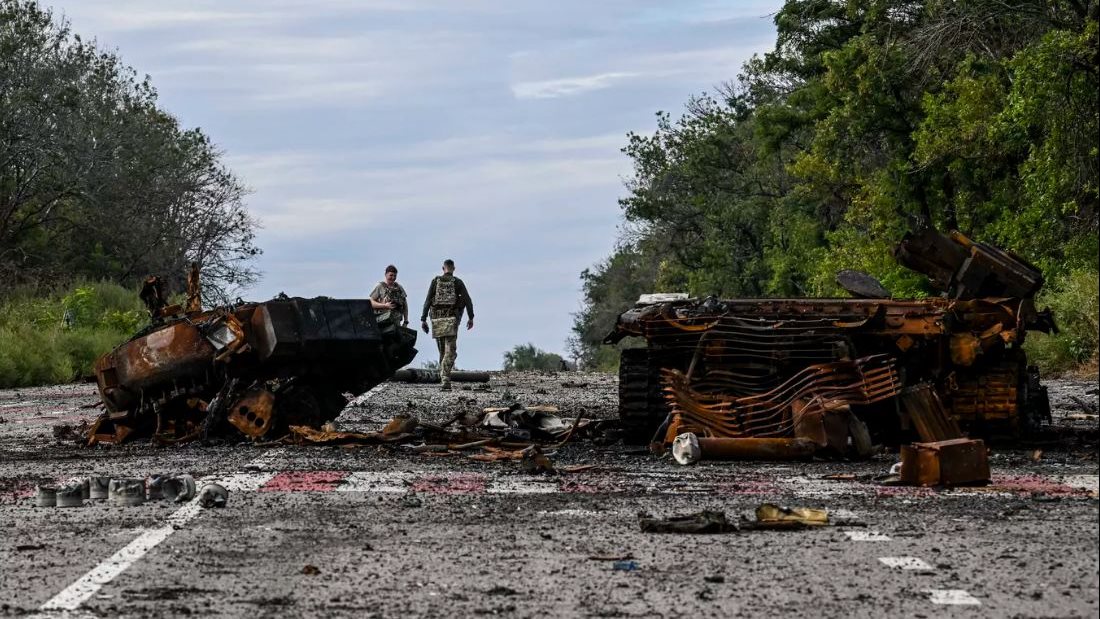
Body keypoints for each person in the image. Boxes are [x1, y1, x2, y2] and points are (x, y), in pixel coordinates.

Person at [420, 259, 474, 390]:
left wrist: (423, 319)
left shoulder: (435, 281)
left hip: (437, 320)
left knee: (442, 352)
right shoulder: (458, 282)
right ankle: (445, 379)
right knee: (450, 352)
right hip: (451, 320)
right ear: (453, 268)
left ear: (443, 268)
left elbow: (427, 300)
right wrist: (471, 317)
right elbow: (467, 300)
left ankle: (444, 378)